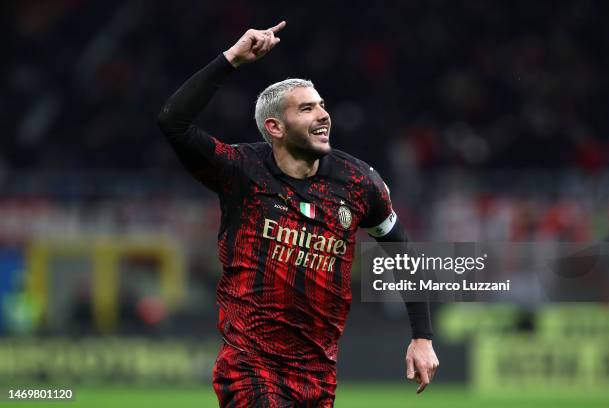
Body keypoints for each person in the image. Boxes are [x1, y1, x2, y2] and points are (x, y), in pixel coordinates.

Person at [158, 21, 439, 407]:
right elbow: (173, 122)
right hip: (250, 368)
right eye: (307, 108)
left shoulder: (359, 182)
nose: (323, 115)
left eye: (322, 105)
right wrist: (232, 59)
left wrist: (421, 337)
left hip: (318, 375)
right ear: (274, 127)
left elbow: (402, 250)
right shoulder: (241, 171)